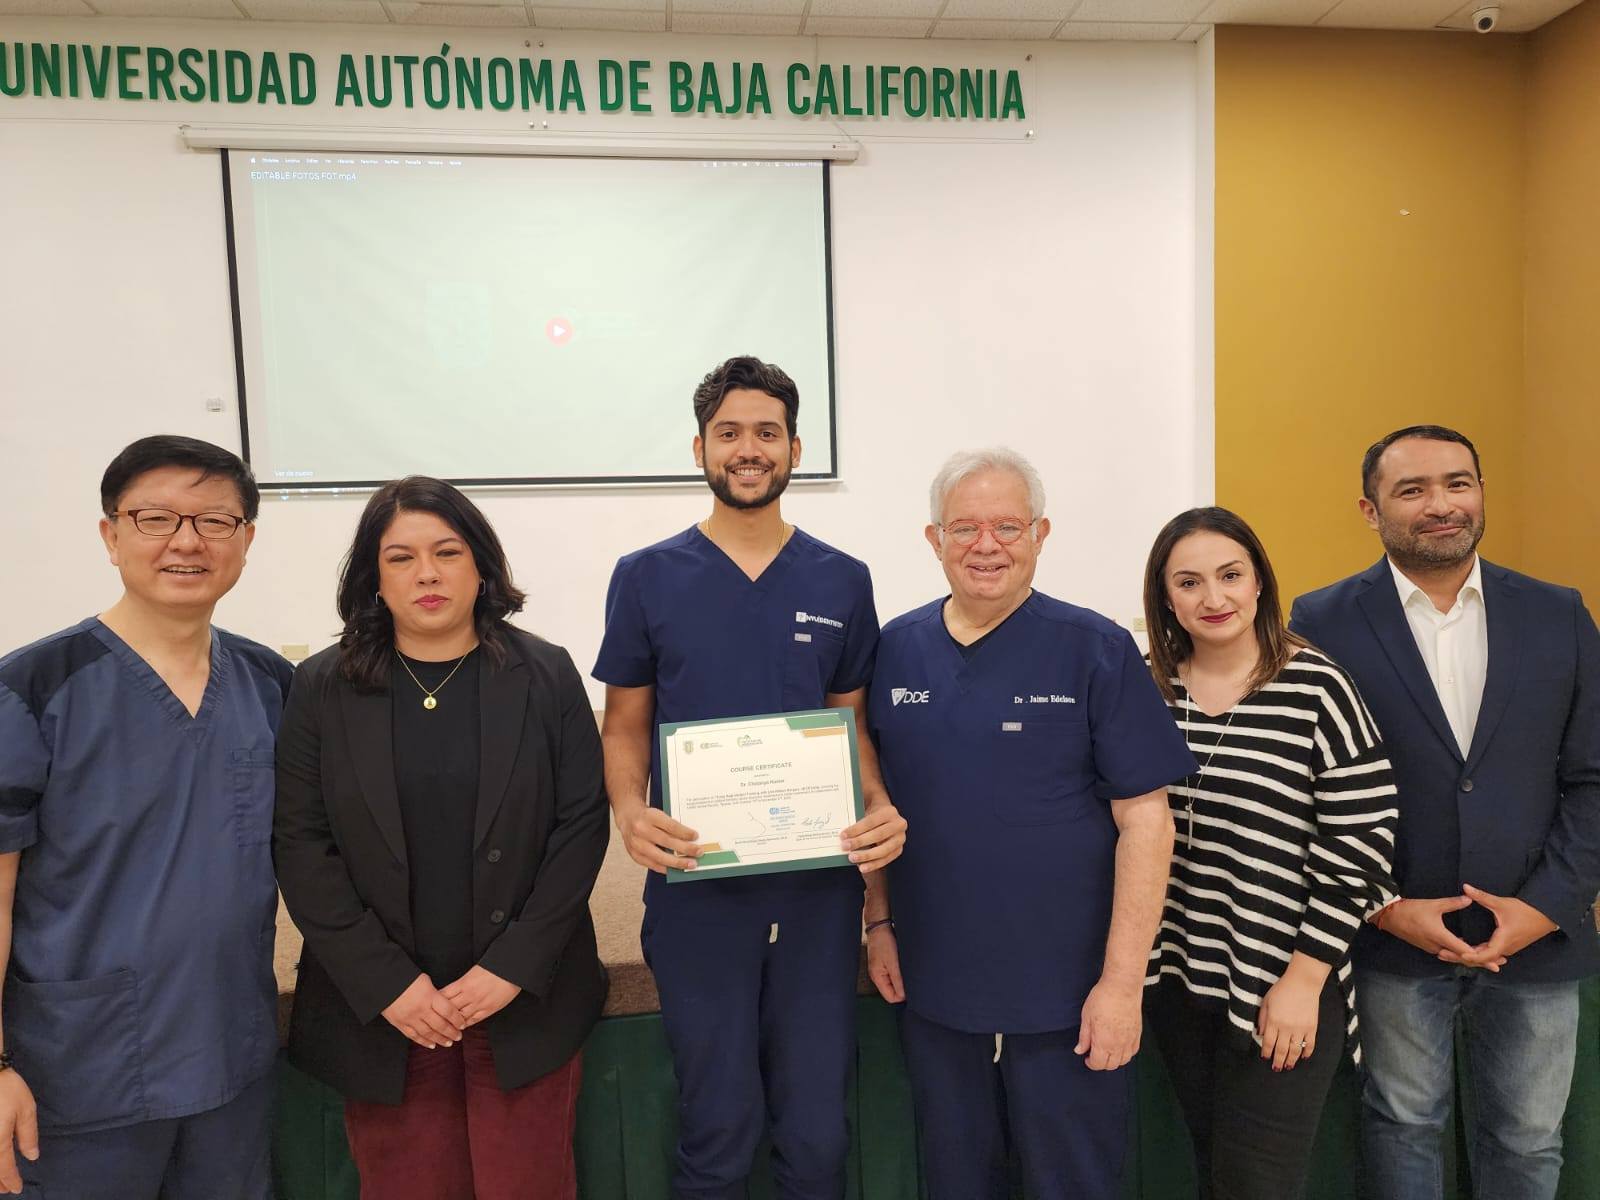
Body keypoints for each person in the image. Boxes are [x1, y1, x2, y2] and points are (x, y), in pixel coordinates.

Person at [594, 355, 906, 1200]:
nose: (748, 449)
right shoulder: (646, 576)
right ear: (700, 448)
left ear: (795, 449)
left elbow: (851, 726)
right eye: (728, 432)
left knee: (817, 1130)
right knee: (717, 1126)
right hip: (698, 887)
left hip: (817, 893)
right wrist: (628, 809)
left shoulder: (842, 578)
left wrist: (878, 805)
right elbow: (624, 724)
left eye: (767, 432)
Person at [863, 447, 1194, 1200]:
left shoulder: (1096, 649)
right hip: (935, 985)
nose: (987, 545)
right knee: (956, 1181)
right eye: (965, 528)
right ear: (934, 539)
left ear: (1041, 534)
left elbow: (1148, 824)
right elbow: (874, 800)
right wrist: (878, 921)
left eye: (1008, 526)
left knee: (1071, 1182)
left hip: (1068, 993)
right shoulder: (895, 650)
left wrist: (1122, 986)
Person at [273, 476, 608, 1200]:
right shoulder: (322, 686)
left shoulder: (545, 673)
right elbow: (301, 844)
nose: (427, 573)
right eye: (401, 557)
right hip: (386, 1011)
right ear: (374, 578)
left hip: (522, 1000)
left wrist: (513, 966)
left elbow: (581, 825)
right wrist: (387, 984)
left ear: (481, 566)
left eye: (447, 552)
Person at [1290, 425, 1600, 1200]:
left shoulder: (1558, 614)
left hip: (1538, 938)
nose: (1441, 504)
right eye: (1413, 489)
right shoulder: (1320, 621)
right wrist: (1385, 908)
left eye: (1458, 483)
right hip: (1394, 938)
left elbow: (1593, 778)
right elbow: (1310, 789)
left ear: (1481, 492)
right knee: (1402, 1128)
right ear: (1370, 510)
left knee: (1529, 1142)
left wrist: (1544, 907)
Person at [0, 435, 290, 1199]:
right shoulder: (31, 690)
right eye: (156, 518)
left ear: (246, 540)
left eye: (215, 521)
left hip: (231, 1062)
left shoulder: (272, 686)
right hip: (75, 1077)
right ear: (111, 535)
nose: (187, 542)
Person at [1140, 506, 1398, 1199]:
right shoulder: (1147, 687)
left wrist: (1304, 982)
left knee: (1258, 1185)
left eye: (1230, 575)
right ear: (1166, 597)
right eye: (1189, 582)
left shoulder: (1318, 687)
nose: (1213, 597)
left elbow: (1361, 843)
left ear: (1260, 582)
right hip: (1178, 978)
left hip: (1282, 982)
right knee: (1215, 1174)